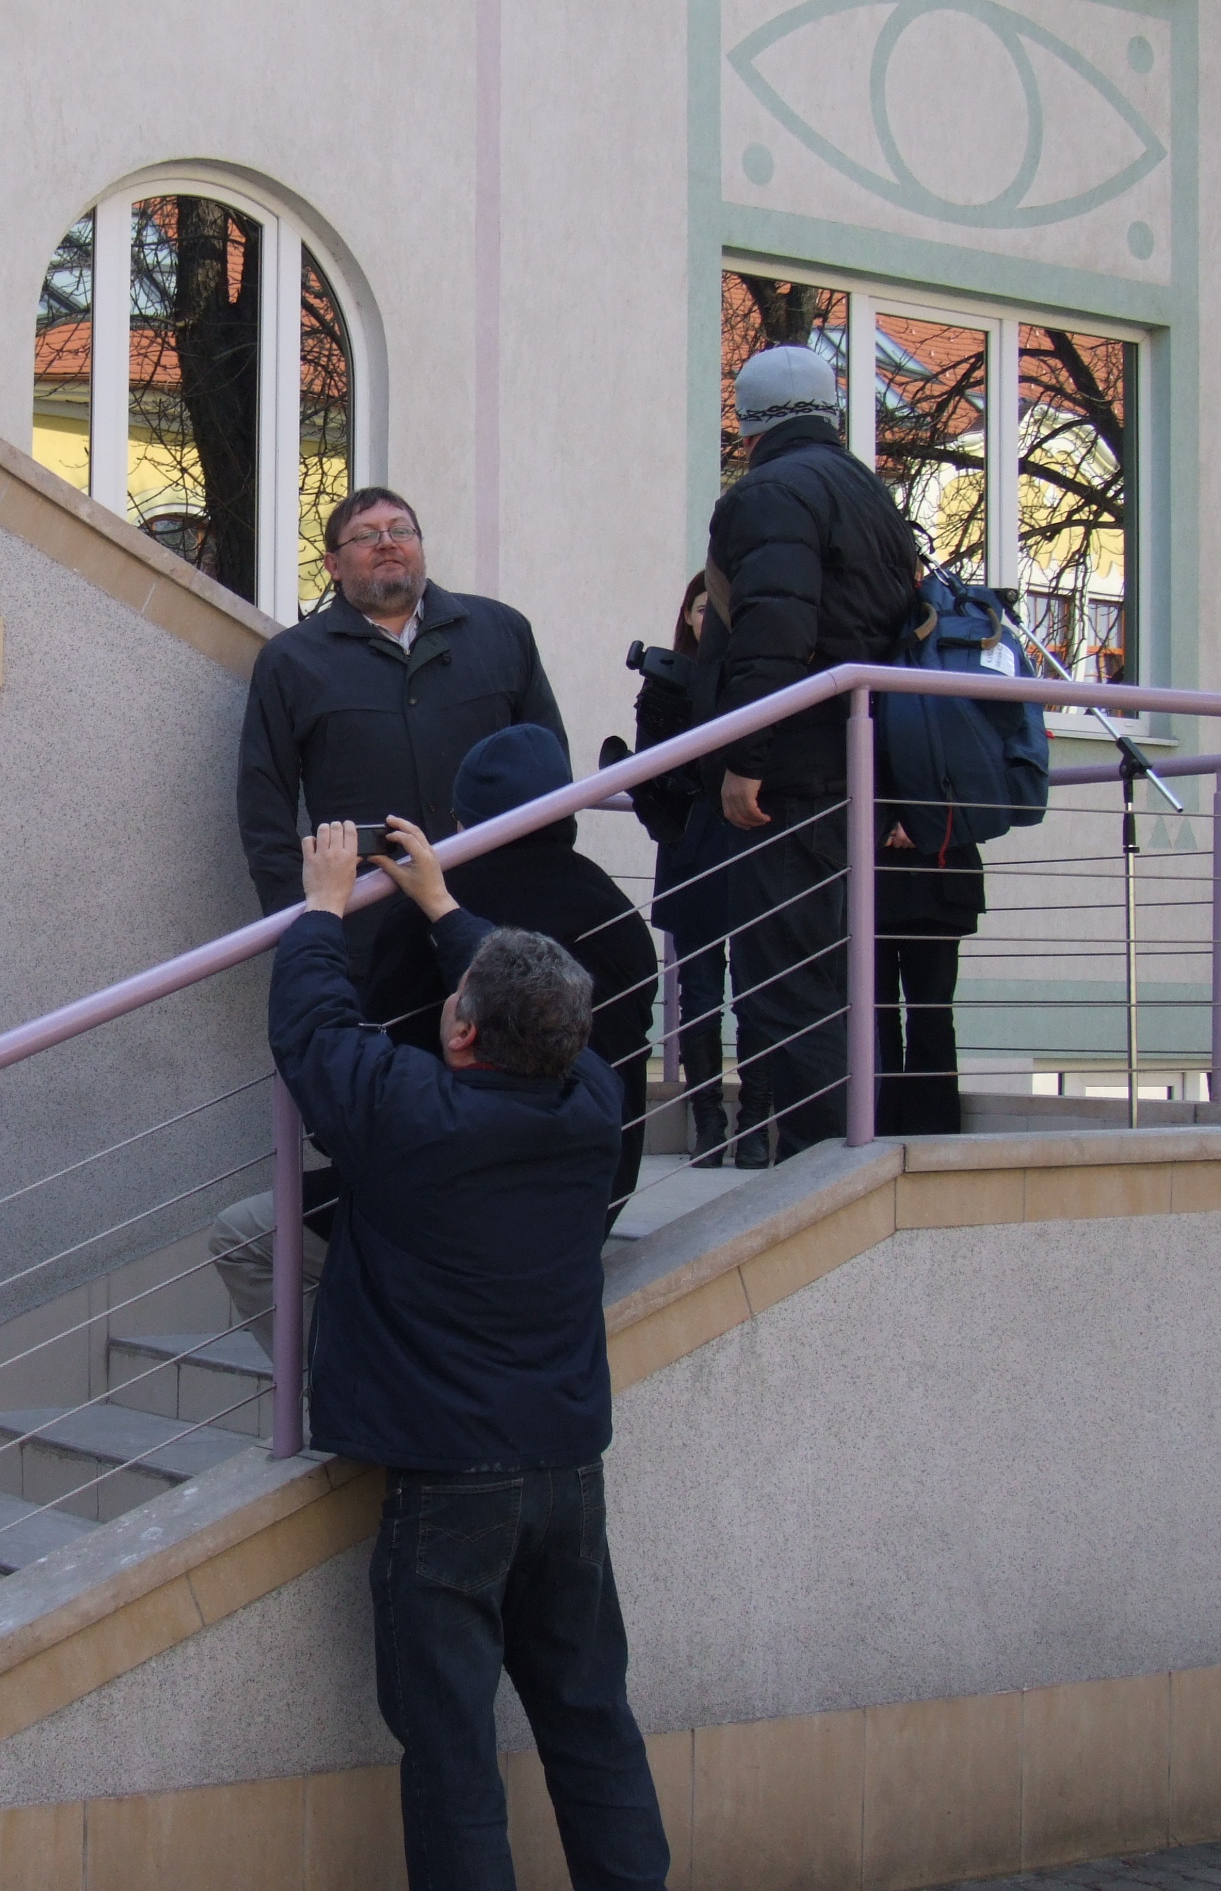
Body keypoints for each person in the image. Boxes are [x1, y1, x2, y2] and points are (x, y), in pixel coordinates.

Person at [275, 816, 670, 1891]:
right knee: (590, 1715)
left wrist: (322, 907)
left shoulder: (412, 1117)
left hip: (450, 1479)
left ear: (458, 1034)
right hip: (564, 1469)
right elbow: (526, 1013)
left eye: (457, 1001)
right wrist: (445, 907)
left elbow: (314, 1032)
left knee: (452, 1752)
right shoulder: (591, 1103)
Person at [699, 343, 915, 1157]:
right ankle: (850, 1155)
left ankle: (823, 1176)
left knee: (788, 984)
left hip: (795, 777)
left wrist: (745, 759)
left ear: (748, 423)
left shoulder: (770, 495)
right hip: (855, 768)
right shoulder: (867, 492)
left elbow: (773, 635)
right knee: (835, 979)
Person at [236, 486, 567, 931]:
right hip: (366, 922)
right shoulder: (291, 661)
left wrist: (549, 883)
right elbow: (264, 802)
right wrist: (302, 921)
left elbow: (550, 769)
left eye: (401, 531)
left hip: (498, 909)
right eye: (366, 535)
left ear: (420, 547)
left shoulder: (503, 632)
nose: (387, 543)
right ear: (333, 565)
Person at [369, 724, 658, 1224]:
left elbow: (371, 1053)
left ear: (465, 820)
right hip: (596, 1193)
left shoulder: (420, 913)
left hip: (454, 1198)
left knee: (245, 1234)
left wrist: (321, 913)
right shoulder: (618, 914)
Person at [629, 576, 767, 1168]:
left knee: (757, 991)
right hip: (692, 845)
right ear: (686, 616)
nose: (710, 619)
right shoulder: (668, 679)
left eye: (721, 609)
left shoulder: (754, 677)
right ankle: (708, 1120)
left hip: (753, 840)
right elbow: (648, 771)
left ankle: (756, 1120)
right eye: (702, 608)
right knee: (701, 993)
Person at [876, 826, 985, 1136]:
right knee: (873, 1015)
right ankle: (875, 1123)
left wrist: (921, 820)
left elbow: (992, 802)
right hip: (871, 876)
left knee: (930, 1015)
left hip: (939, 879)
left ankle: (928, 1133)